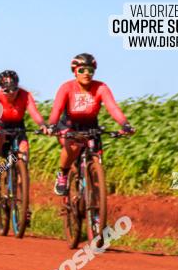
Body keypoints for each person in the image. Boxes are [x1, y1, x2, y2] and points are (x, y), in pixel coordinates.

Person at [46, 53, 134, 196]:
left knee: (97, 158)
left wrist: (125, 124)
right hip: (69, 126)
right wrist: (51, 125)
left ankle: (95, 209)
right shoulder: (67, 87)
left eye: (90, 70)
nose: (86, 74)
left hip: (91, 127)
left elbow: (112, 107)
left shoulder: (101, 87)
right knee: (73, 146)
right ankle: (63, 175)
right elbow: (57, 109)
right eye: (82, 70)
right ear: (75, 72)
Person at [0, 70, 46, 190]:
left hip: (17, 126)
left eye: (14, 89)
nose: (11, 93)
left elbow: (34, 112)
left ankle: (22, 198)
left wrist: (42, 124)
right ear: (1, 89)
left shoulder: (25, 95)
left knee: (24, 152)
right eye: (7, 90)